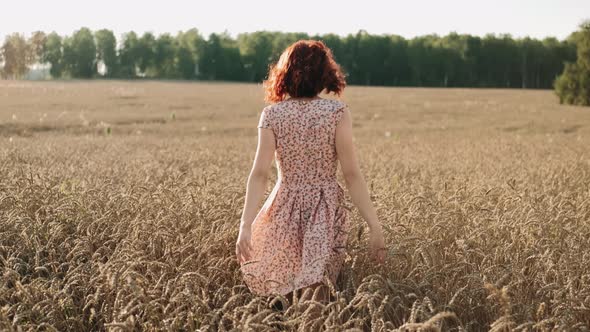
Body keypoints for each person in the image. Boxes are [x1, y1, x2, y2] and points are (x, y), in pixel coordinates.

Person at [236, 40, 386, 307]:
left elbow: (259, 174)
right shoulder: (337, 112)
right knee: (316, 287)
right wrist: (374, 225)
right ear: (324, 74)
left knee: (288, 287)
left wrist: (245, 224)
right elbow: (351, 174)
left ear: (284, 73)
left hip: (283, 206)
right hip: (324, 207)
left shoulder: (272, 115)